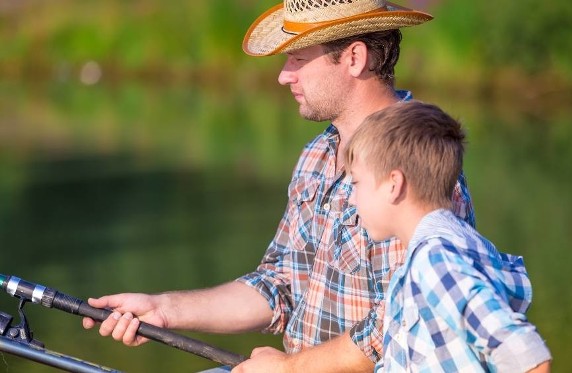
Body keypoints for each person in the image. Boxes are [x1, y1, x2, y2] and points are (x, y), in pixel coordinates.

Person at [82, 1, 476, 372]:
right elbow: (279, 285)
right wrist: (164, 310)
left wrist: (289, 367)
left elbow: (404, 324)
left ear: (354, 58)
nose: (284, 75)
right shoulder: (317, 155)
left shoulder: (414, 166)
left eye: (299, 59)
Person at [344, 100, 552, 372]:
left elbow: (526, 356)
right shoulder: (454, 244)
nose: (351, 198)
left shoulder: (434, 261)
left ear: (394, 184)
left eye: (356, 182)